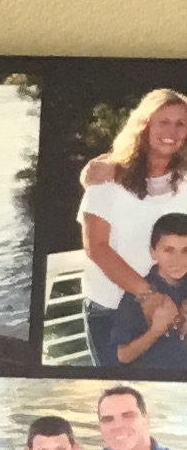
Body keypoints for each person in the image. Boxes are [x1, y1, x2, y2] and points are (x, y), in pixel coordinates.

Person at [74, 86, 187, 369]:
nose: (172, 131)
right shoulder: (106, 178)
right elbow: (96, 248)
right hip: (111, 310)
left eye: (180, 123)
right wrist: (148, 295)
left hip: (174, 312)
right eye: (163, 121)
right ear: (144, 125)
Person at [122, 210, 187, 363]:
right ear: (153, 252)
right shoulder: (138, 293)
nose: (177, 260)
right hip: (155, 371)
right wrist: (155, 331)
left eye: (186, 251)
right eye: (168, 250)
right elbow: (122, 356)